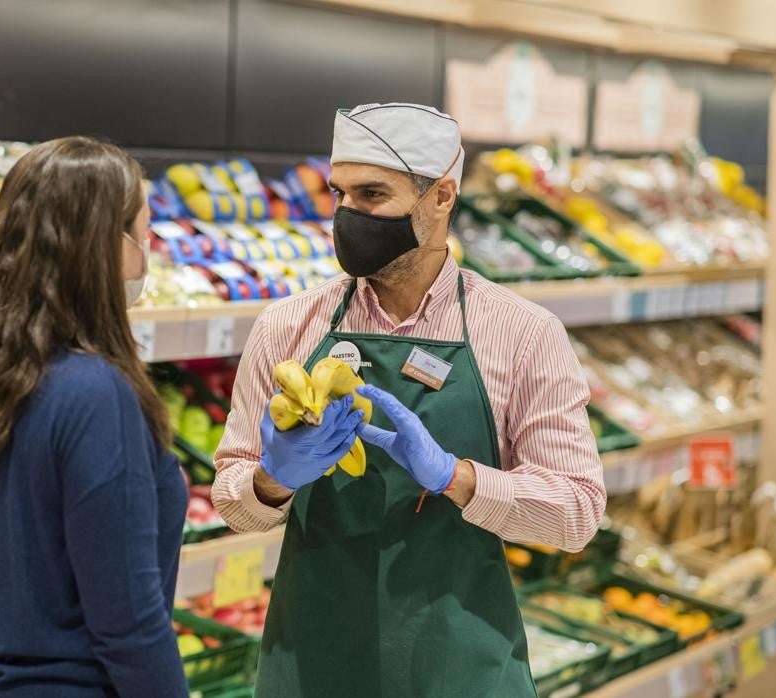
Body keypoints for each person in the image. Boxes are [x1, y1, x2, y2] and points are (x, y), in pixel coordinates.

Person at [212, 103, 606, 697]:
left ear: (442, 197)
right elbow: (233, 501)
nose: (348, 214)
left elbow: (577, 513)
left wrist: (458, 478)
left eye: (372, 195)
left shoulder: (522, 333)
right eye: (339, 193)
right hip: (314, 664)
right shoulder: (288, 325)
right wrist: (271, 480)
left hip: (459, 666)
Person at [0, 136, 189, 698]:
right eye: (143, 234)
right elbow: (128, 623)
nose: (149, 252)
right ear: (104, 248)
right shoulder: (97, 395)